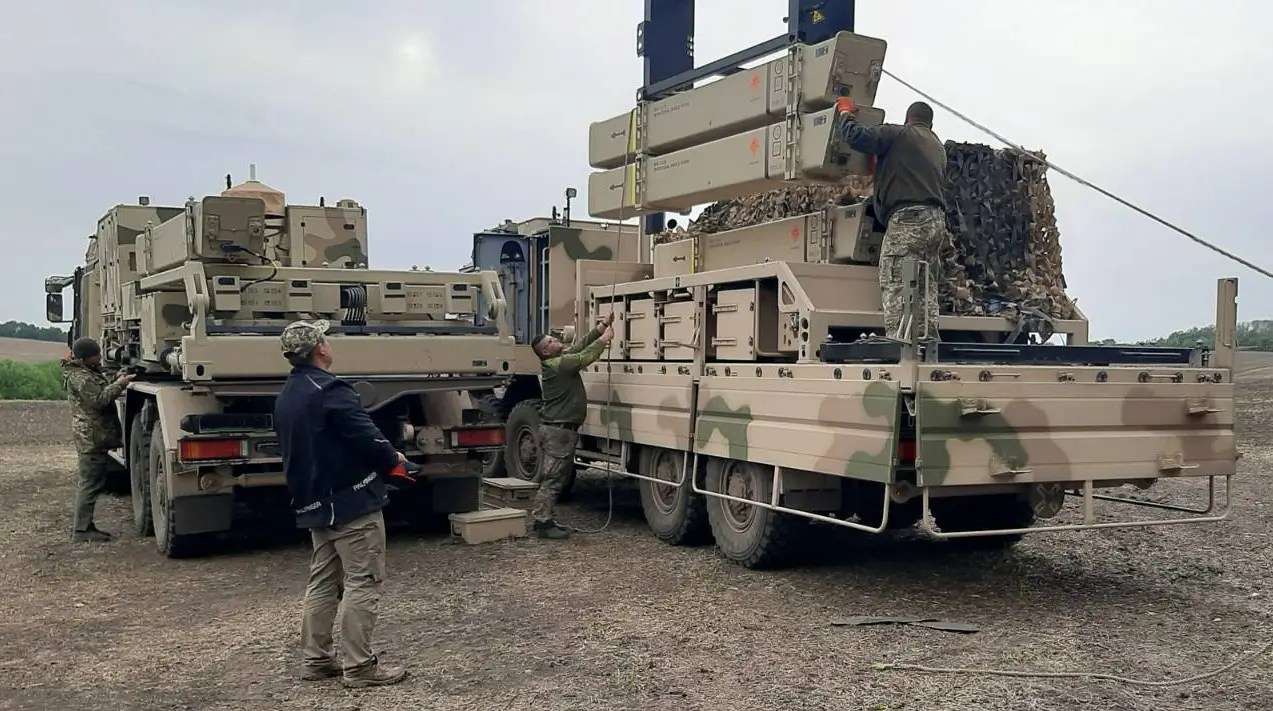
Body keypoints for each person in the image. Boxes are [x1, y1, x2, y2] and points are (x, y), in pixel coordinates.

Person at [272, 319, 409, 689]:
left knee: (323, 581)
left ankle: (316, 660)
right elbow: (368, 438)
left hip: (314, 503)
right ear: (320, 348)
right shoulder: (332, 390)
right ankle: (359, 667)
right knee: (362, 581)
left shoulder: (287, 394)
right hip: (350, 503)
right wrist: (394, 459)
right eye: (327, 338)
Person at [837, 100, 950, 342]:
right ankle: (926, 340)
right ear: (930, 122)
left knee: (896, 277)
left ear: (908, 118)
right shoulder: (937, 146)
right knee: (925, 283)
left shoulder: (899, 134)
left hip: (908, 218)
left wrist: (845, 112)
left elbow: (857, 137)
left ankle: (900, 344)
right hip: (936, 221)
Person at [527, 312, 615, 539]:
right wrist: (604, 339)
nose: (556, 341)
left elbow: (580, 346)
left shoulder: (558, 360)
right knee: (554, 479)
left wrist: (601, 327)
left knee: (556, 477)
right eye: (551, 342)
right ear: (545, 351)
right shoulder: (559, 365)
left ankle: (545, 518)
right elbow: (585, 356)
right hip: (559, 431)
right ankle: (542, 522)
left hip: (558, 429)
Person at [60, 337, 133, 542]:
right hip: (90, 437)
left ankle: (85, 526)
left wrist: (115, 380)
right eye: (96, 354)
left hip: (93, 435)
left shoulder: (84, 373)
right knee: (89, 483)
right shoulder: (81, 378)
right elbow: (99, 400)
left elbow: (99, 391)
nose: (100, 357)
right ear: (85, 357)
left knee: (92, 482)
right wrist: (120, 384)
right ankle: (82, 530)